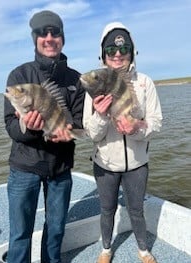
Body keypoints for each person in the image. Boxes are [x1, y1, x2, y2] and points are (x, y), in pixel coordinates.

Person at [4, 10, 84, 263]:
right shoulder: (19, 77)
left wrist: (68, 135)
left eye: (55, 32)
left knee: (56, 230)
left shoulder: (75, 79)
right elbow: (11, 127)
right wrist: (30, 128)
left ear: (62, 37)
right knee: (20, 234)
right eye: (43, 32)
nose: (49, 38)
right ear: (34, 38)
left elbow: (80, 123)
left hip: (60, 169)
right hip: (24, 168)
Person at [83, 22, 162, 263]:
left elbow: (156, 122)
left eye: (123, 48)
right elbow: (91, 133)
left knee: (136, 210)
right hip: (105, 164)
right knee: (107, 210)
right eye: (111, 50)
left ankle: (143, 250)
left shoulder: (145, 82)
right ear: (103, 54)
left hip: (137, 163)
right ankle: (106, 249)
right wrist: (101, 115)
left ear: (131, 51)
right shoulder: (95, 84)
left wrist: (137, 126)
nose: (117, 54)